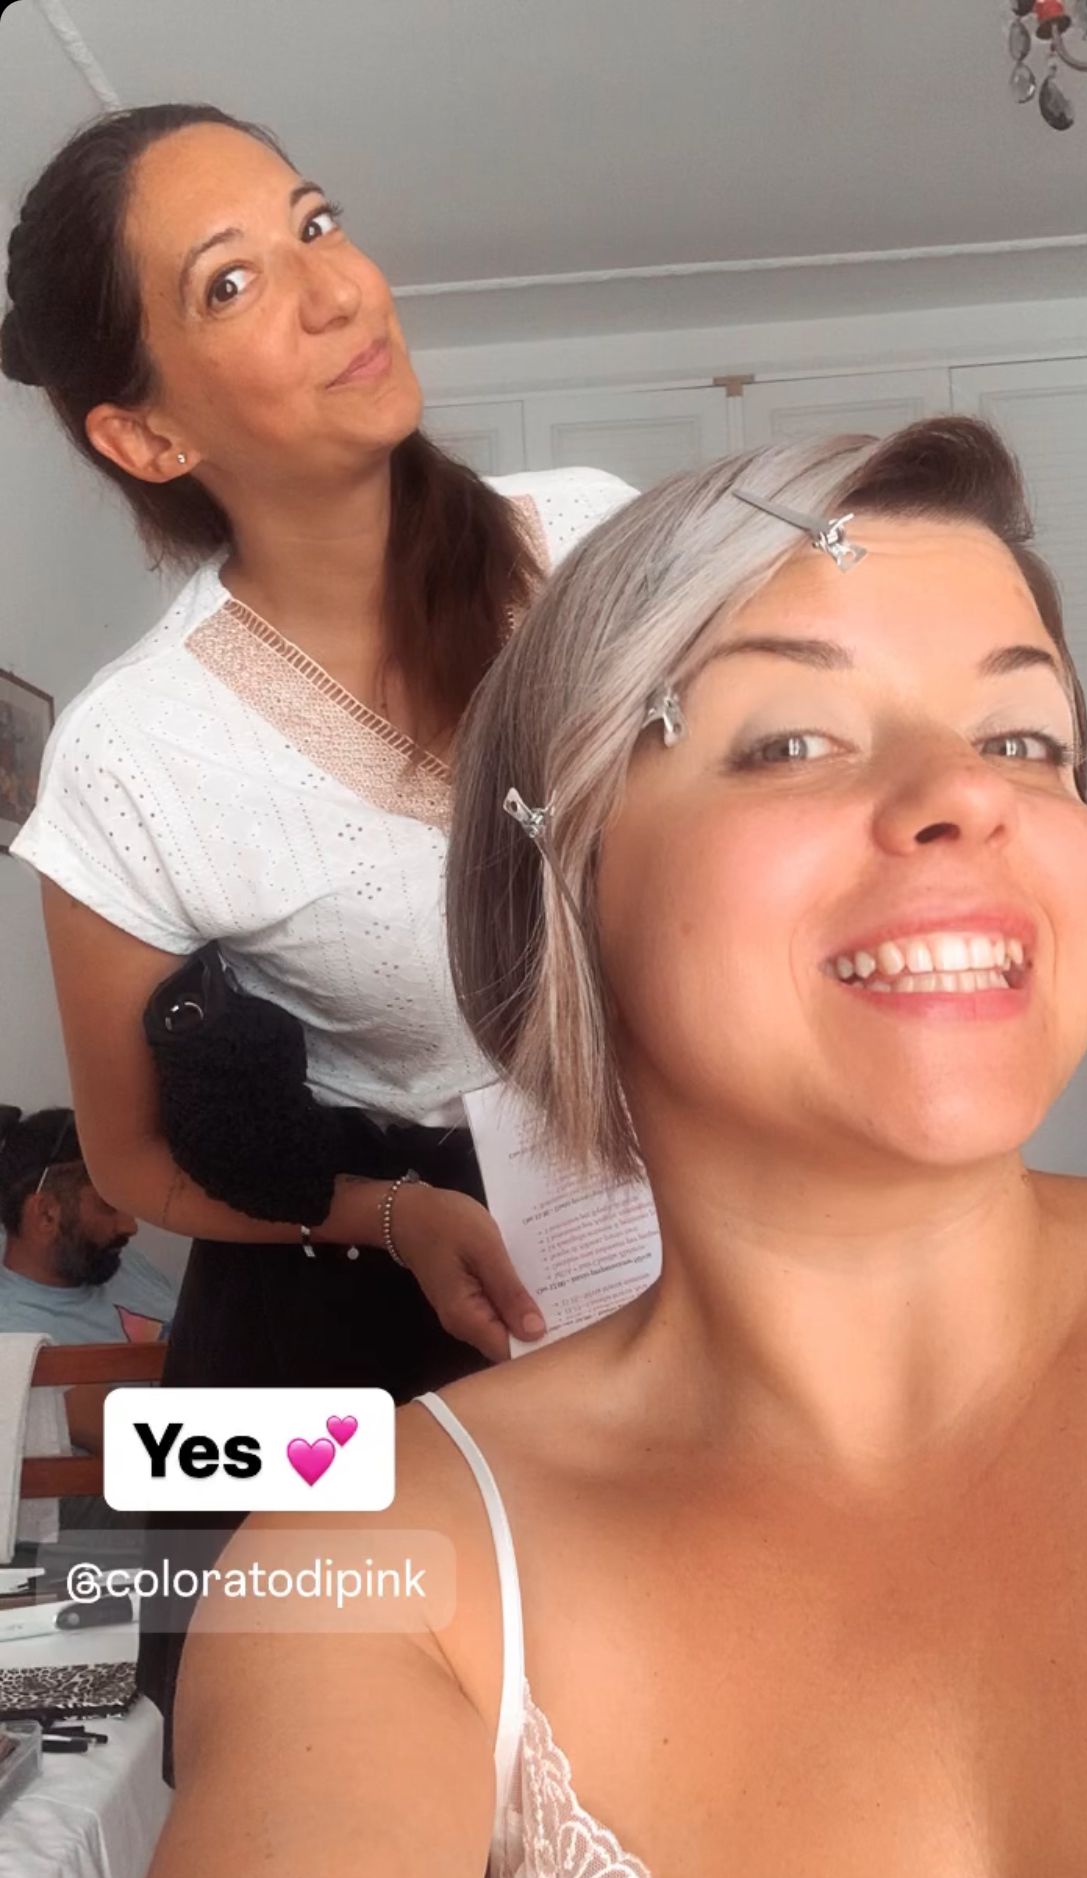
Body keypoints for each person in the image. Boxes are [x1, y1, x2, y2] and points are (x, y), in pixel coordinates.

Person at [117, 418, 1087, 1878]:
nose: (964, 797)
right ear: (566, 877)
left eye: (1024, 740)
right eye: (790, 739)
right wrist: (386, 1216)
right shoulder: (382, 1561)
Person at [0, 102, 634, 1769]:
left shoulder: (593, 543)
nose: (338, 287)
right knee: (304, 1751)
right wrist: (394, 1215)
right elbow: (129, 1165)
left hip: (644, 1238)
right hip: (335, 1296)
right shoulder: (135, 758)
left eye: (316, 220)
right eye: (230, 283)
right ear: (145, 436)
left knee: (655, 1739)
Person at [0, 1103, 173, 1528]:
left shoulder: (112, 1263)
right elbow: (159, 1453)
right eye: (109, 1205)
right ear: (46, 1214)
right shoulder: (19, 1339)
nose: (131, 1225)